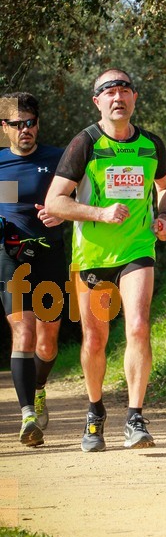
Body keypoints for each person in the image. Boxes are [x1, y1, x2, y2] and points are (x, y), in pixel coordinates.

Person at [45, 68, 166, 452]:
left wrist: (164, 216)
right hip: (93, 255)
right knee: (96, 339)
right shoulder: (84, 143)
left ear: (135, 98)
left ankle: (135, 418)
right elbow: (56, 201)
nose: (117, 96)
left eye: (124, 90)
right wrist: (100, 213)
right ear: (97, 102)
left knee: (137, 326)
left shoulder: (151, 144)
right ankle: (95, 411)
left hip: (137, 249)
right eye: (108, 91)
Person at [0, 91, 66, 447]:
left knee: (47, 338)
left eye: (30, 123)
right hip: (10, 257)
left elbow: (82, 197)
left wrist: (62, 210)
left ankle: (39, 388)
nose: (25, 129)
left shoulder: (57, 159)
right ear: (4, 127)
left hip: (50, 254)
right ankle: (28, 415)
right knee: (22, 333)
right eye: (17, 124)